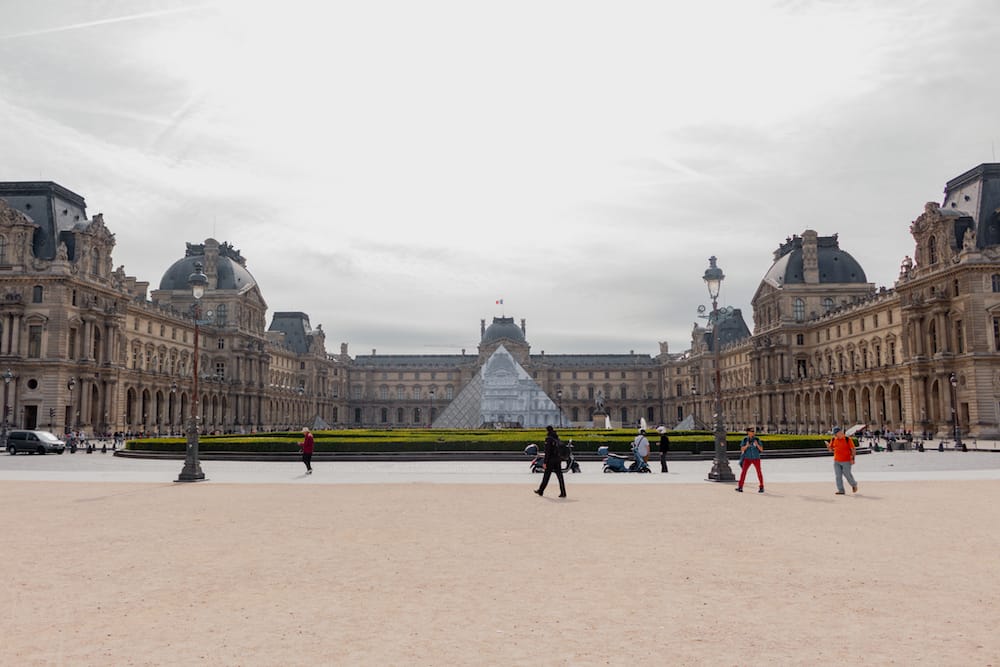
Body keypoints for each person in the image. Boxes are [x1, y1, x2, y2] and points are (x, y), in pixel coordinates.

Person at [534, 425, 566, 498]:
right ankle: (563, 492)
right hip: (558, 459)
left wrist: (545, 462)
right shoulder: (557, 438)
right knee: (560, 477)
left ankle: (541, 490)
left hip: (551, 461)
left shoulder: (548, 439)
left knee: (546, 476)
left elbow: (547, 452)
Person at [827, 427, 858, 495]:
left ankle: (854, 484)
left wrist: (853, 459)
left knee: (847, 474)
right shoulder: (833, 439)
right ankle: (841, 490)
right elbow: (831, 449)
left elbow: (853, 449)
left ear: (840, 432)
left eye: (835, 433)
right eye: (834, 434)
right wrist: (828, 447)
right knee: (838, 476)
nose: (835, 435)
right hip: (836, 461)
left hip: (846, 460)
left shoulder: (847, 439)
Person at [735, 427, 764, 493]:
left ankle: (761, 486)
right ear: (748, 432)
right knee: (743, 472)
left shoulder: (757, 439)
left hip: (756, 458)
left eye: (753, 431)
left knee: (759, 472)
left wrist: (757, 445)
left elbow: (761, 449)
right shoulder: (745, 439)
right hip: (747, 458)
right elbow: (742, 449)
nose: (753, 433)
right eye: (751, 431)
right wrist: (747, 446)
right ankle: (740, 487)